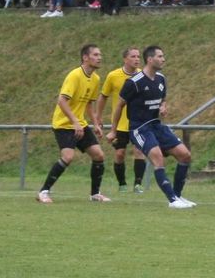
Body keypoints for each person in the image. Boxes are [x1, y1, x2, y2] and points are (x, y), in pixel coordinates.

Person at [114, 46, 196, 209]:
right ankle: (172, 200)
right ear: (150, 59)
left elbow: (162, 98)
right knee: (157, 157)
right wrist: (113, 131)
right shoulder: (133, 82)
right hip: (139, 128)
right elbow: (119, 106)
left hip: (156, 125)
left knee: (185, 155)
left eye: (163, 56)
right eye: (160, 56)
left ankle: (178, 196)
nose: (163, 59)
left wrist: (163, 106)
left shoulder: (161, 79)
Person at [37, 44, 111, 204]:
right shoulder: (75, 76)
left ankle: (95, 194)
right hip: (63, 124)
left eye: (100, 55)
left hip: (80, 124)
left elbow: (89, 104)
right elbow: (61, 100)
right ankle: (43, 192)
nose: (100, 57)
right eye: (96, 54)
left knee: (99, 155)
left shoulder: (96, 78)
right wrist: (75, 122)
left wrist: (96, 122)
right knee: (68, 157)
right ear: (85, 57)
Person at [93, 47, 148, 193]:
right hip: (120, 124)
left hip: (138, 122)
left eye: (138, 56)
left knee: (139, 151)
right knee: (119, 154)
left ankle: (138, 184)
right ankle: (122, 183)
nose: (137, 59)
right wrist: (97, 116)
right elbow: (103, 96)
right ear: (125, 59)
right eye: (133, 56)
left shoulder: (143, 75)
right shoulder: (113, 76)